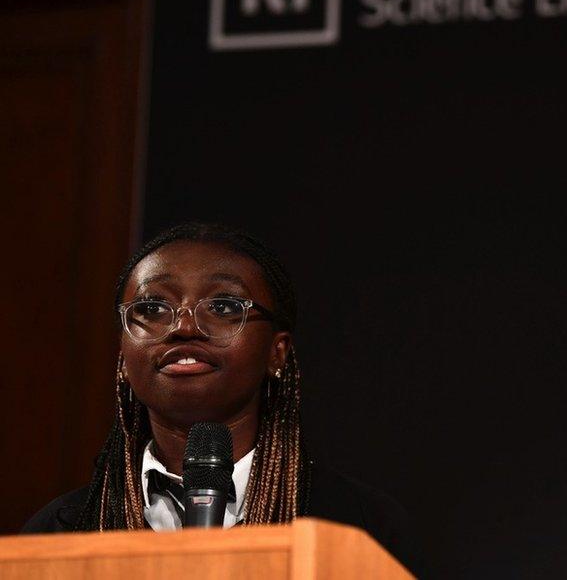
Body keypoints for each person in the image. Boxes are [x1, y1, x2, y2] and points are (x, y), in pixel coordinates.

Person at [22, 222, 422, 575]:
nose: (184, 326)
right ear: (123, 358)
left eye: (224, 306)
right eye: (152, 307)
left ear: (276, 352)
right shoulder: (58, 532)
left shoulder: (360, 526)